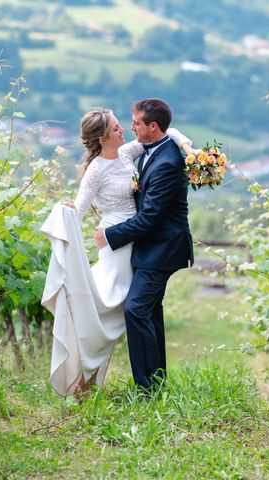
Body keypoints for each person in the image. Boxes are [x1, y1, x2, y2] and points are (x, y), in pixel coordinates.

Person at [41, 107, 193, 399]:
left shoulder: (126, 153)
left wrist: (186, 145)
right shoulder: (96, 170)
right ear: (101, 137)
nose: (124, 130)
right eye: (115, 129)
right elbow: (81, 208)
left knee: (130, 312)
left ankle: (145, 387)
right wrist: (66, 211)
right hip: (115, 243)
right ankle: (83, 379)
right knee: (106, 312)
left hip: (136, 241)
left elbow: (164, 133)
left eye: (124, 126)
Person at [94, 98, 194, 393]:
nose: (131, 127)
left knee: (136, 310)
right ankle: (156, 384)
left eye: (136, 122)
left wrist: (110, 236)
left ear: (153, 126)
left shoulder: (166, 163)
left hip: (161, 249)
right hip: (152, 247)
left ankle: (146, 390)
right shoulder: (156, 149)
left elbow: (149, 218)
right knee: (149, 311)